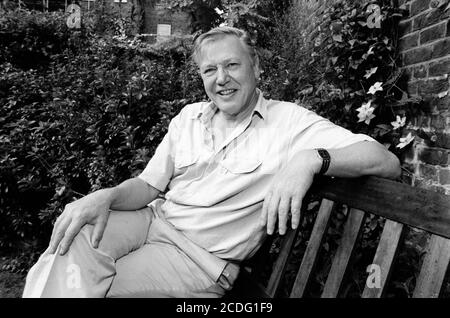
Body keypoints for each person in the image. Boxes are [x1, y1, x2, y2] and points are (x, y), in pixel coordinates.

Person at [23, 26, 400, 298]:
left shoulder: (290, 123)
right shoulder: (188, 117)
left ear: (256, 67)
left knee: (94, 287)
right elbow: (149, 186)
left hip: (197, 259)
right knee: (68, 245)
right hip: (150, 219)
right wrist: (103, 196)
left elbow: (385, 161)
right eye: (209, 70)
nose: (221, 79)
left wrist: (310, 158)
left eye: (232, 66)